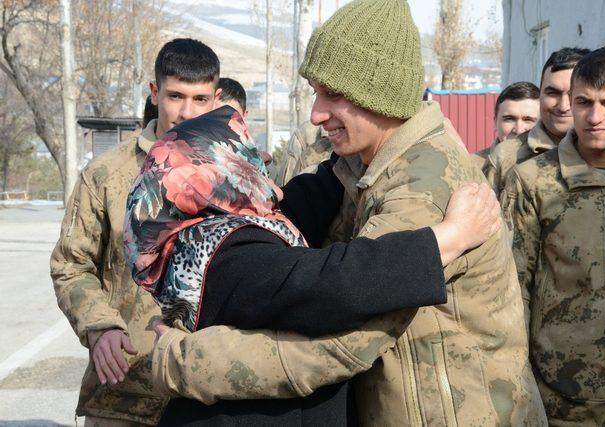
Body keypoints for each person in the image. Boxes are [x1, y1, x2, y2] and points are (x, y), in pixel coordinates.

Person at [151, 1, 547, 425]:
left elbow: (342, 338)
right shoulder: (361, 166)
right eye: (316, 93)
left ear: (381, 95)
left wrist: (185, 359)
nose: (316, 114)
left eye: (333, 95)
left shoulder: (421, 191)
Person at [124, 106, 502, 425]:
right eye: (246, 154)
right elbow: (333, 284)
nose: (264, 161)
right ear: (212, 174)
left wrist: (410, 124)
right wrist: (447, 239)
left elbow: (312, 195)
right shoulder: (220, 256)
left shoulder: (222, 229)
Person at [50, 38, 222, 426]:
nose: (186, 111)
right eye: (175, 96)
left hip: (207, 393)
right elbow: (71, 264)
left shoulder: (237, 178)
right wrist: (100, 326)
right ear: (154, 92)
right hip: (124, 391)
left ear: (217, 98)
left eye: (200, 99)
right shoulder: (108, 174)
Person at [504, 46, 605, 426]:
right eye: (584, 102)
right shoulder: (533, 182)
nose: (594, 117)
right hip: (562, 406)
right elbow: (511, 291)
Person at [486, 47, 590, 195]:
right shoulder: (506, 157)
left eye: (573, 94)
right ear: (540, 94)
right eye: (552, 93)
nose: (563, 106)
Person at [474, 81, 540, 173]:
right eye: (509, 119)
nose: (519, 130)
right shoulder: (472, 166)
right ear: (495, 122)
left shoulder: (554, 165)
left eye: (528, 120)